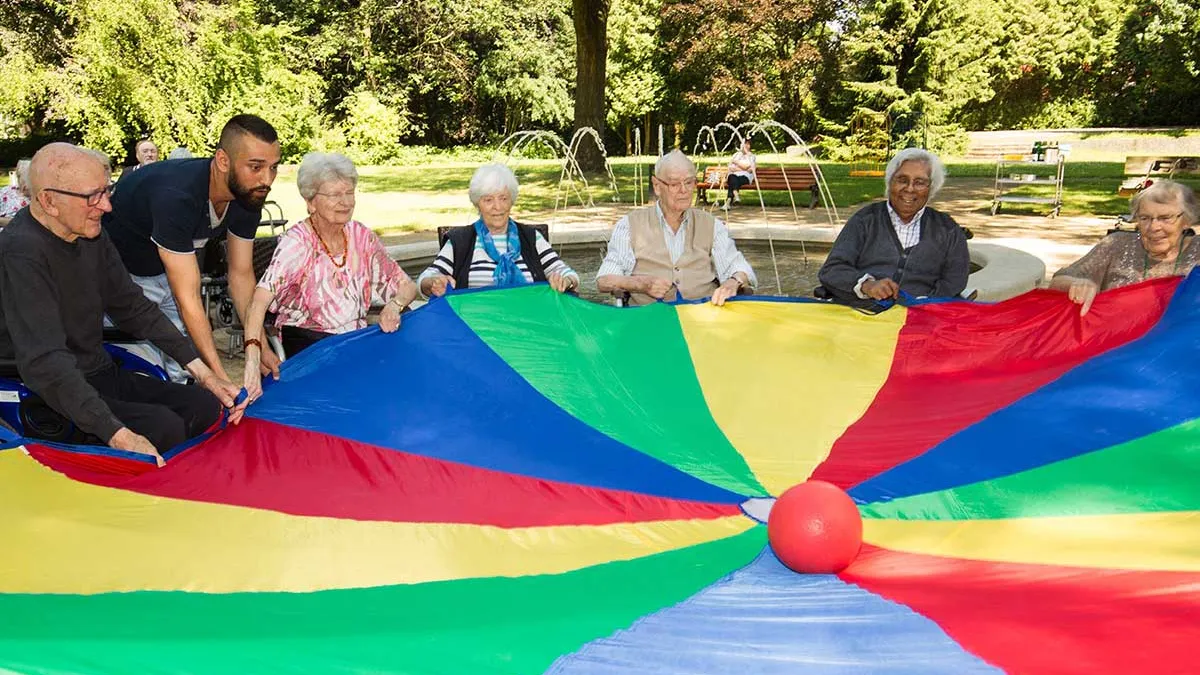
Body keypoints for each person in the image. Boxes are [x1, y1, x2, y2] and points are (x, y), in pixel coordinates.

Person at [0, 143, 247, 466]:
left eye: (107, 191)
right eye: (93, 196)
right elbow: (47, 363)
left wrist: (202, 372)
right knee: (163, 428)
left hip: (96, 370)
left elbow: (133, 306)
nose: (106, 206)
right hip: (44, 387)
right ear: (49, 201)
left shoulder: (91, 236)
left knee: (204, 406)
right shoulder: (21, 252)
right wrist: (117, 433)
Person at [103, 114, 283, 384]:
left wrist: (260, 347)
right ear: (223, 161)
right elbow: (187, 298)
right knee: (140, 370)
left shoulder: (247, 196)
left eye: (273, 167)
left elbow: (241, 275)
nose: (266, 179)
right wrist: (219, 377)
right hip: (120, 274)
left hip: (165, 269)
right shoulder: (177, 196)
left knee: (183, 370)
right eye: (256, 167)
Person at [241, 152, 417, 400]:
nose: (345, 202)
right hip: (310, 349)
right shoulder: (298, 243)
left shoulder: (361, 236)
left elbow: (408, 286)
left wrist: (394, 305)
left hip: (354, 345)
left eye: (349, 193)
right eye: (335, 195)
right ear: (311, 202)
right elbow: (258, 301)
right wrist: (253, 356)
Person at [596, 149, 756, 306]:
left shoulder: (711, 225)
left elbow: (738, 266)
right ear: (657, 186)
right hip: (648, 321)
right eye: (674, 184)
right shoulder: (630, 225)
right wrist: (640, 284)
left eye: (689, 182)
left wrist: (733, 282)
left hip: (703, 319)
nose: (684, 190)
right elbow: (605, 279)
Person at [817, 148, 969, 307]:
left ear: (931, 188)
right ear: (890, 182)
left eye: (919, 182)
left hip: (920, 320)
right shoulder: (865, 220)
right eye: (902, 180)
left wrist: (924, 304)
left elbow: (954, 281)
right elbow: (832, 270)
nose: (909, 188)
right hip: (862, 316)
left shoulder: (947, 229)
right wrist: (867, 286)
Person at [418, 163, 579, 297]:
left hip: (528, 323)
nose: (498, 207)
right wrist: (434, 282)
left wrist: (565, 280)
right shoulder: (461, 241)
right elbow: (425, 279)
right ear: (477, 204)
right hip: (476, 326)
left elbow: (567, 273)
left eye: (503, 198)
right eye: (488, 200)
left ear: (512, 200)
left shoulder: (530, 238)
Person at [1050, 180, 1200, 315]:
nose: (1154, 227)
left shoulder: (1197, 250)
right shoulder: (1118, 244)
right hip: (1117, 340)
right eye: (1144, 218)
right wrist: (1078, 284)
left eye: (1166, 218)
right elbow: (1058, 280)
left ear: (1187, 220)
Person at [0, 158, 31, 226]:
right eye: (19, 176)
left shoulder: (36, 200)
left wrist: (2, 221)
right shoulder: (6, 190)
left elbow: (24, 224)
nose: (24, 186)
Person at [726, 138, 756, 206]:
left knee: (733, 181)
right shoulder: (736, 155)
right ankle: (736, 197)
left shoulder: (751, 156)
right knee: (732, 177)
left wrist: (736, 162)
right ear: (740, 145)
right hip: (733, 176)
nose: (746, 145)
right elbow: (730, 168)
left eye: (748, 144)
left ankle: (728, 201)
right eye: (744, 143)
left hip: (745, 177)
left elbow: (748, 167)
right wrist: (743, 168)